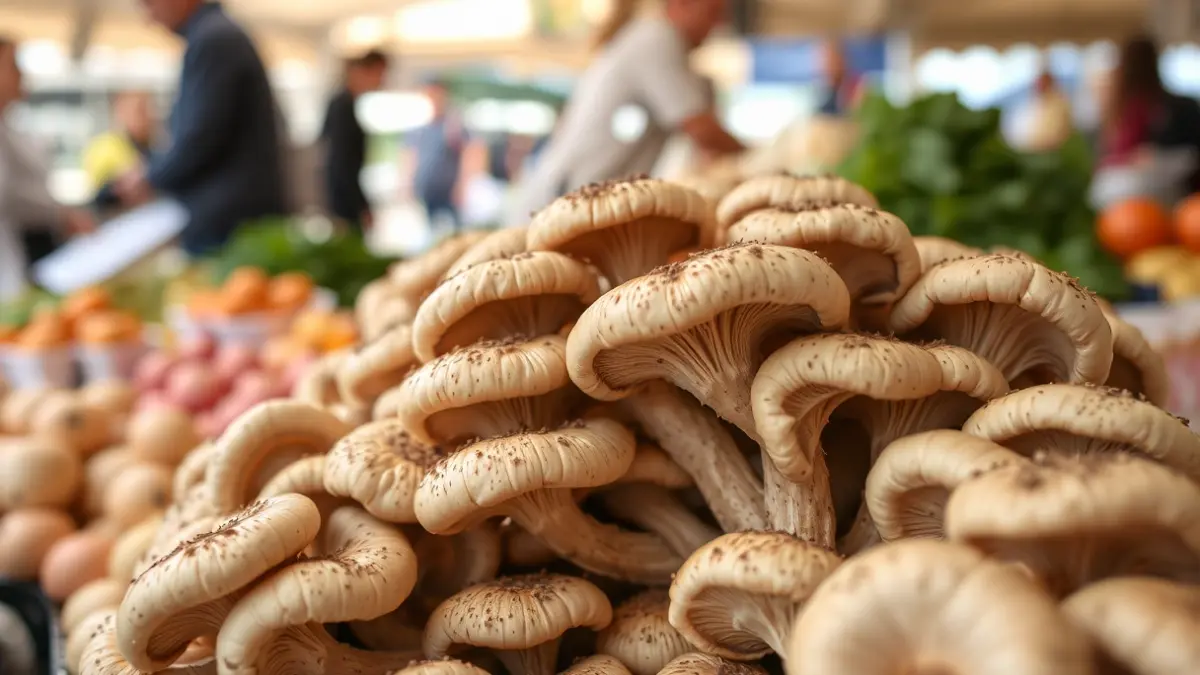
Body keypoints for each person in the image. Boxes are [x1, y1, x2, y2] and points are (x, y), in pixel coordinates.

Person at [511, 0, 743, 223]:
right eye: (713, 12)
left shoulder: (659, 44)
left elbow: (705, 147)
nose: (718, 25)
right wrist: (760, 157)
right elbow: (701, 129)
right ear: (681, 2)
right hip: (561, 204)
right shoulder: (657, 39)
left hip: (586, 204)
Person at [114, 0, 287, 257]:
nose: (149, 19)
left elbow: (199, 138)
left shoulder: (213, 40)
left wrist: (150, 177)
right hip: (235, 219)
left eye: (149, 5)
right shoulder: (217, 35)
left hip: (229, 225)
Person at [0, 36, 94, 301]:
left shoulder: (10, 128)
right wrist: (60, 214)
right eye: (13, 67)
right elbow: (6, 196)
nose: (21, 75)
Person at [320, 50, 388, 231]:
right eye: (380, 74)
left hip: (341, 199)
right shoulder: (342, 107)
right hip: (342, 203)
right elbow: (341, 164)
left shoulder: (344, 104)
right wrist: (360, 206)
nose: (381, 81)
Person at [409, 78, 469, 233]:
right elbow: (411, 155)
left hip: (448, 189)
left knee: (455, 232)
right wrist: (409, 183)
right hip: (427, 188)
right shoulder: (420, 126)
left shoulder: (454, 124)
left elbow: (469, 153)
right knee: (431, 231)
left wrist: (462, 186)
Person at [84, 91, 157, 210]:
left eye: (149, 111)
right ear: (120, 112)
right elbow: (102, 193)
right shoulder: (105, 145)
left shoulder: (150, 147)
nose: (148, 117)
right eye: (140, 111)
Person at [816, 39, 865, 117]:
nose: (825, 68)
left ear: (842, 60)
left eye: (830, 61)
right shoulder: (829, 92)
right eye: (823, 62)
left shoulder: (856, 86)